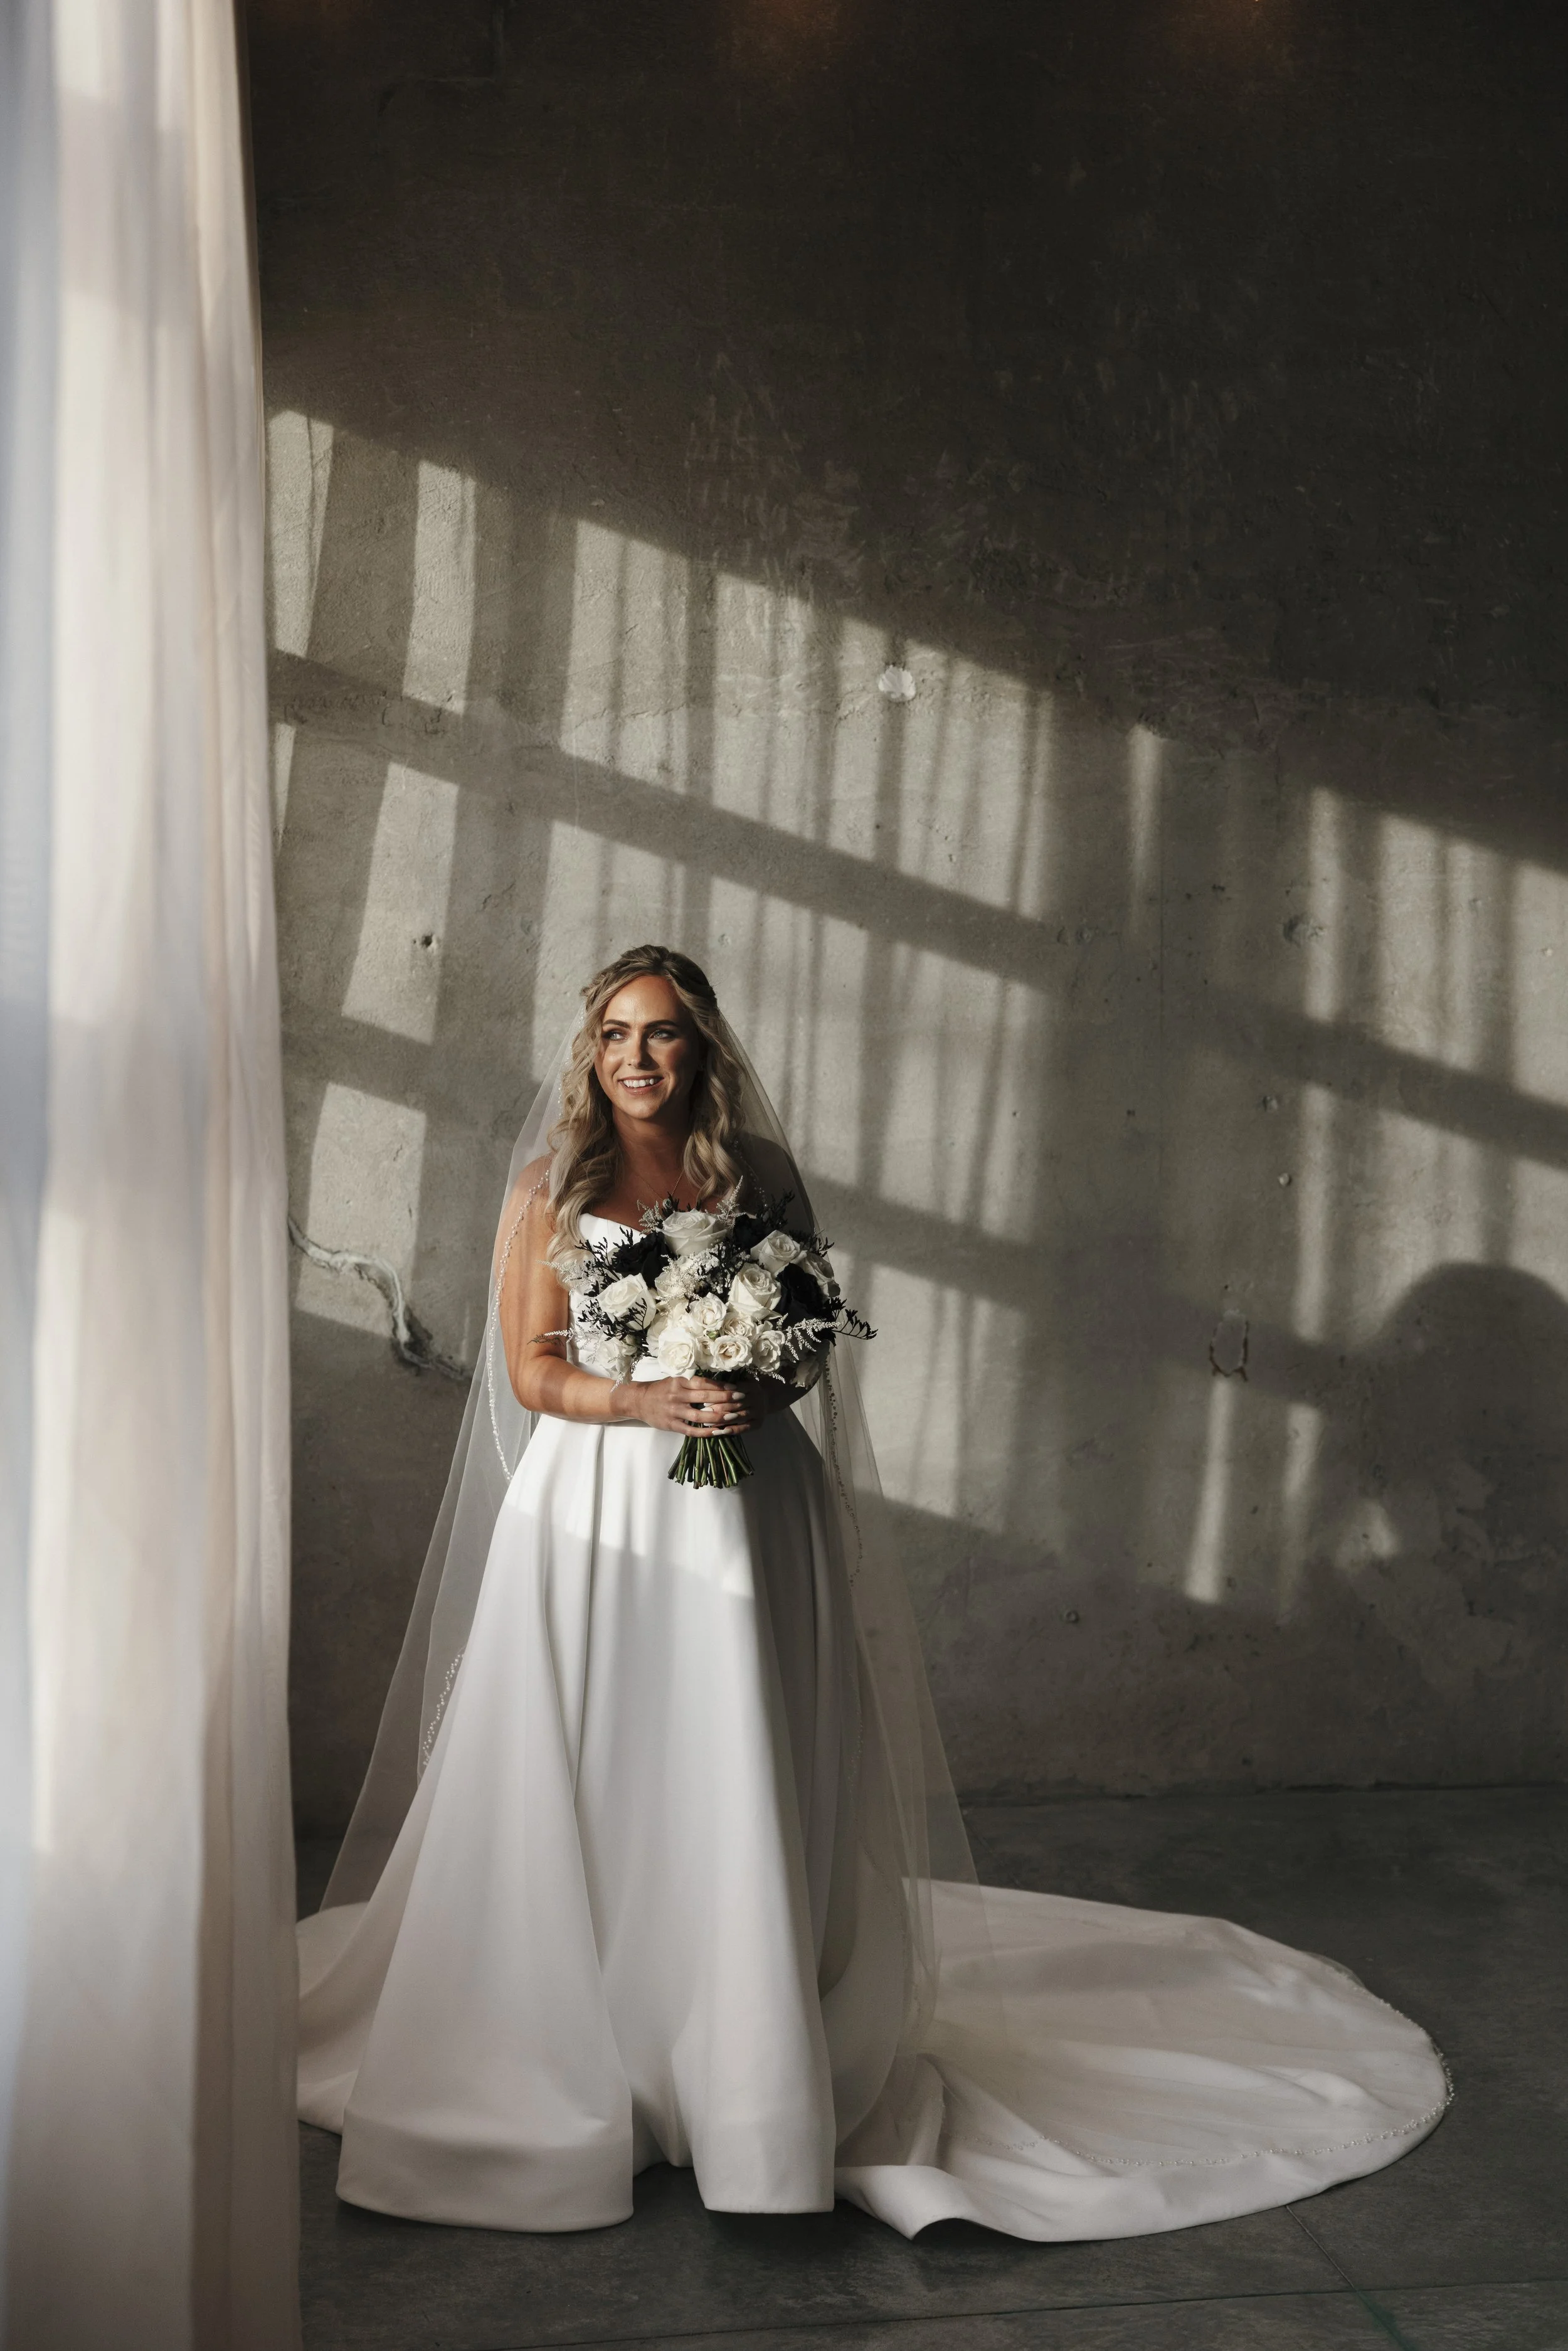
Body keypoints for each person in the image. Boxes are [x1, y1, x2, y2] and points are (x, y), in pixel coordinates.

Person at [297, 944, 1448, 2239]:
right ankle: (589, 2038)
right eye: (615, 1031)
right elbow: (528, 1370)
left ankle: (749, 2057)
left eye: (663, 1032)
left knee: (751, 1756)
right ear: (590, 1047)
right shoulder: (547, 1186)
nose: (636, 1055)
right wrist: (648, 1394)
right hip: (598, 1508)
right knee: (599, 1756)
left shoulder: (760, 1180)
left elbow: (801, 1351)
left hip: (749, 1513)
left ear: (702, 1049)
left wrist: (745, 1377)